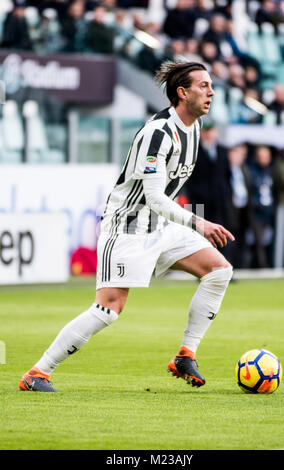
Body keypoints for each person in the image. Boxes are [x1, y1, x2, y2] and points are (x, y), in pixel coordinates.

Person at [19, 61, 234, 393]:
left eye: (211, 85)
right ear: (182, 92)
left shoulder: (195, 127)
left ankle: (184, 354)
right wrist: (198, 221)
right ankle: (37, 373)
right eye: (203, 85)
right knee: (108, 309)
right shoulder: (157, 133)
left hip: (161, 226)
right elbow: (153, 197)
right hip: (127, 227)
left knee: (219, 270)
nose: (211, 91)